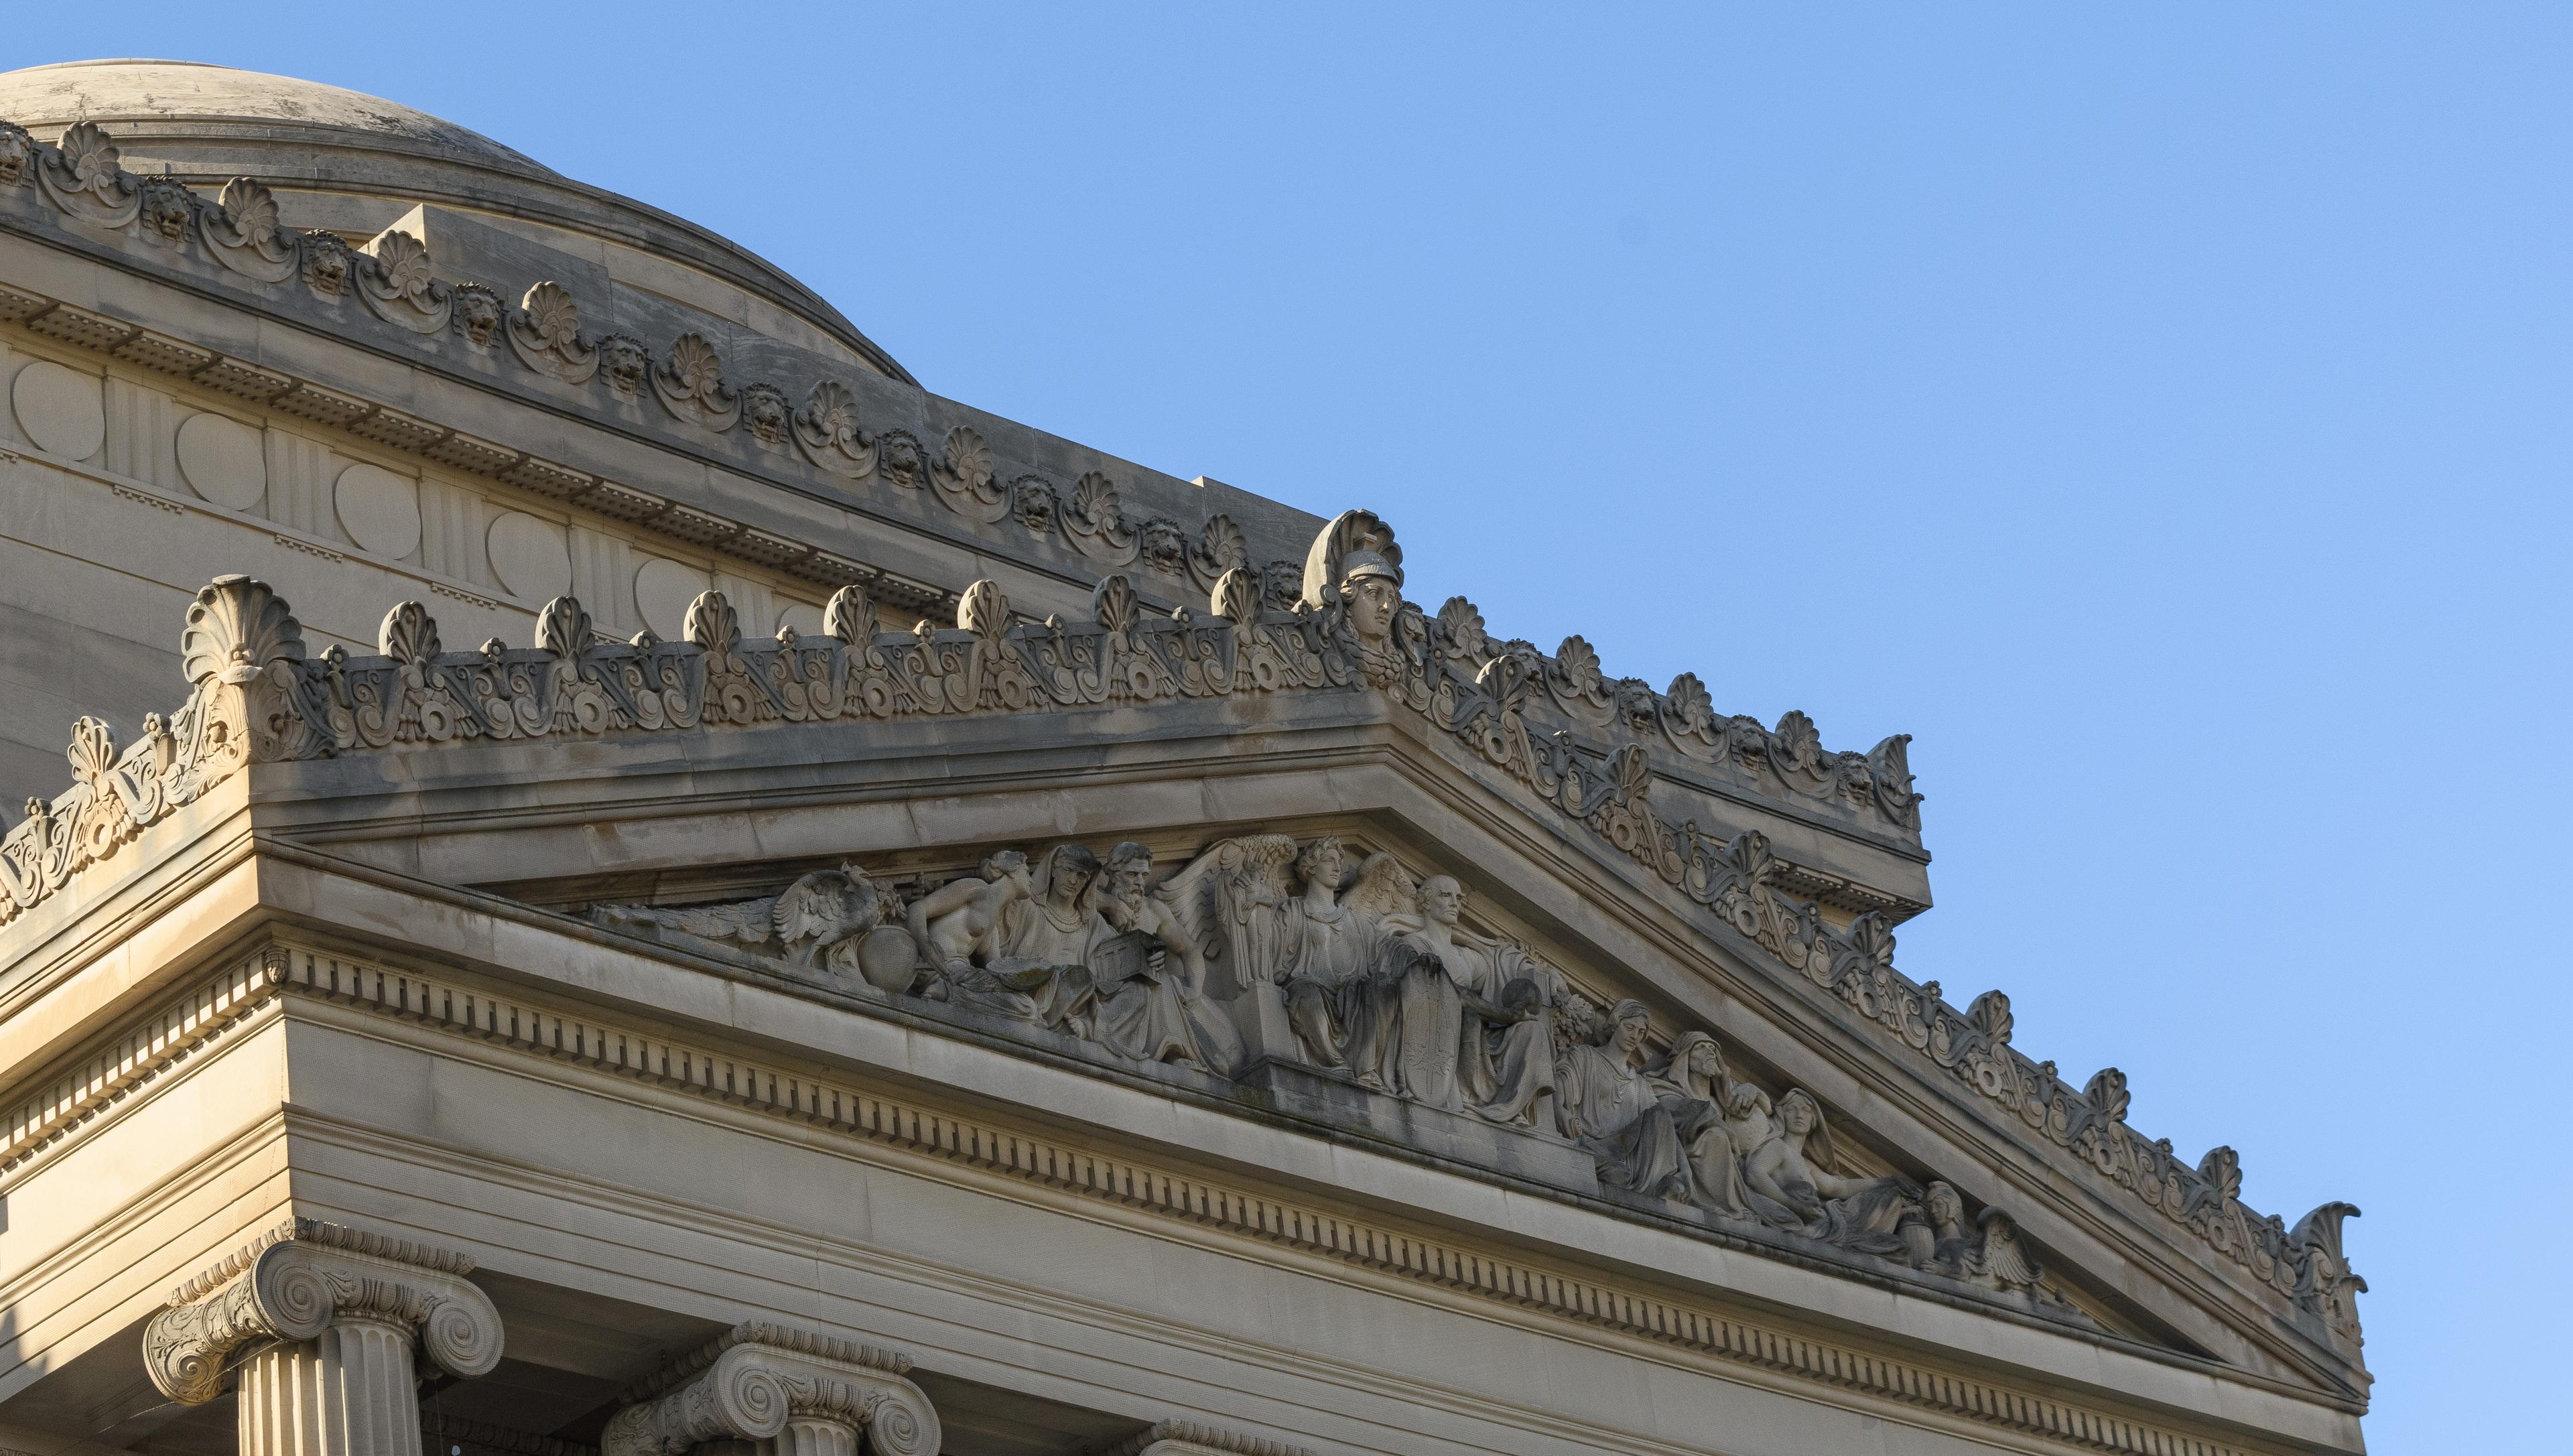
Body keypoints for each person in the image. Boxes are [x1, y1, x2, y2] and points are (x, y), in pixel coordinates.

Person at [1089, 842, 1243, 1073]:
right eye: (1132, 874)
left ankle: (1175, 1048)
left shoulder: (1154, 911)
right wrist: (1111, 905)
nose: (1140, 882)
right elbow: (1065, 888)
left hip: (1157, 996)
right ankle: (1174, 1051)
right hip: (1105, 988)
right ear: (1111, 874)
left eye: (1144, 875)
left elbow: (1189, 950)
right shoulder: (1094, 901)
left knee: (1222, 1063)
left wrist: (1195, 989)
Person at [1741, 1089, 1921, 1256]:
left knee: (1889, 1198)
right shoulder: (1778, 1147)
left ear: (1814, 1120)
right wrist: (1794, 1206)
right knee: (1887, 1245)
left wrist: (1890, 1181)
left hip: (1826, 1222)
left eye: (1805, 1110)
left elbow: (1840, 1187)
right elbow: (1755, 1175)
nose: (1798, 1115)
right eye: (1792, 1109)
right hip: (1809, 1225)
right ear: (1782, 1115)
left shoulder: (1806, 1164)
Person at [950, 845, 1107, 1035]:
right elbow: (990, 922)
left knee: (1083, 978)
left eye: (1081, 876)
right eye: (1067, 870)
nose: (1073, 880)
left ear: (1088, 881)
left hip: (1065, 996)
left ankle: (1081, 1025)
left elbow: (1118, 955)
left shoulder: (1093, 922)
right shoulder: (1024, 903)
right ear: (1054, 869)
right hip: (1023, 987)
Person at [907, 849, 1033, 984]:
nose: (1031, 880)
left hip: (957, 972)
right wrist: (925, 946)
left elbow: (997, 969)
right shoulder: (977, 889)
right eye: (1026, 872)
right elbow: (917, 908)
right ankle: (941, 990)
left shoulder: (993, 925)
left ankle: (942, 990)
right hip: (933, 964)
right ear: (1012, 870)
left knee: (1020, 1002)